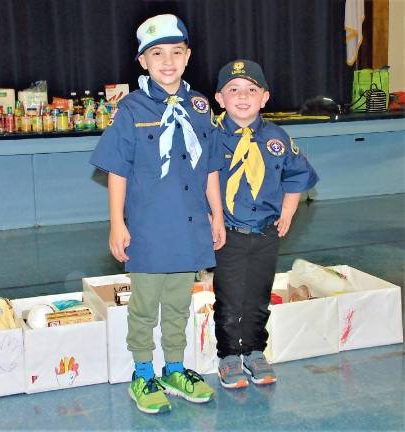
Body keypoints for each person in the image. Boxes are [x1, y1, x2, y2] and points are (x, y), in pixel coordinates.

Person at [90, 14, 226, 414]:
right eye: (157, 53)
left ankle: (175, 367)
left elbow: (211, 167)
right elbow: (116, 170)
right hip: (148, 228)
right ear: (143, 61)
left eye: (176, 52)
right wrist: (117, 223)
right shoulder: (130, 109)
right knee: (145, 305)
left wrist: (216, 215)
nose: (168, 61)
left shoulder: (200, 106)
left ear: (188, 57)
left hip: (189, 226)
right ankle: (143, 372)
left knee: (180, 304)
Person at [210, 59, 319, 389]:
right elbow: (199, 180)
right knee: (229, 297)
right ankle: (229, 355)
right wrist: (209, 217)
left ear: (265, 97)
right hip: (227, 232)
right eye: (233, 90)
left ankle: (255, 350)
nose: (243, 97)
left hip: (266, 232)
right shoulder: (211, 137)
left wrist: (287, 213)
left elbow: (298, 176)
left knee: (258, 296)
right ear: (219, 98)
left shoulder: (277, 138)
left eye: (251, 90)